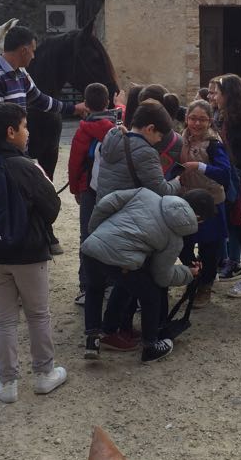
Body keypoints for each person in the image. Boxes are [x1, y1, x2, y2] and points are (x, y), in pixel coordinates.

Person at [0, 24, 87, 327]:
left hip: (15, 160)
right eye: (34, 49)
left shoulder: (20, 75)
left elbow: (42, 100)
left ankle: (5, 289)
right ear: (25, 48)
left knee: (14, 226)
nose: (35, 54)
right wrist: (17, 163)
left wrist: (75, 108)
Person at [0, 104, 66, 403]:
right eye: (25, 127)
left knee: (3, 319)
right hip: (28, 252)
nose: (28, 133)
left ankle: (7, 383)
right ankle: (43, 374)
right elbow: (52, 208)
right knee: (38, 314)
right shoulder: (26, 167)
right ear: (11, 131)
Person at [87, 99, 183, 351]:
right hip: (128, 221)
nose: (158, 142)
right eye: (159, 136)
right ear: (150, 128)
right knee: (132, 279)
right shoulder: (145, 152)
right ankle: (118, 330)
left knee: (121, 279)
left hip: (106, 217)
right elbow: (160, 189)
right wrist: (180, 181)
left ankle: (111, 329)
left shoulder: (112, 136)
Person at [81, 188, 216, 363]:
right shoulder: (174, 238)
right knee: (151, 294)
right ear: (198, 218)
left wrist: (96, 233)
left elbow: (108, 201)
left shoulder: (146, 194)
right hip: (120, 261)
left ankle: (94, 340)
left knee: (95, 289)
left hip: (92, 248)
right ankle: (150, 347)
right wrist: (189, 273)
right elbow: (161, 276)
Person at [178, 100, 233, 307]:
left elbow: (224, 174)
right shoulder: (181, 139)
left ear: (210, 121)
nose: (197, 123)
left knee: (209, 247)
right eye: (193, 118)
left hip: (209, 202)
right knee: (183, 244)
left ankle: (205, 286)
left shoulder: (214, 144)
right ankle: (194, 276)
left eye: (202, 119)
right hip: (185, 200)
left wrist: (198, 166)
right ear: (186, 119)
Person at [68, 83, 118, 306]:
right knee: (110, 234)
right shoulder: (116, 128)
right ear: (108, 102)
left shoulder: (82, 131)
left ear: (86, 105)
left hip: (88, 189)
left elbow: (74, 163)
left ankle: (86, 285)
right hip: (111, 189)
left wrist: (75, 189)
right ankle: (109, 282)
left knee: (87, 236)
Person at [213, 74, 241, 294]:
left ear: (228, 95)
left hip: (240, 185)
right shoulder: (226, 117)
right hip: (231, 182)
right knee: (233, 229)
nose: (215, 97)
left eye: (218, 93)